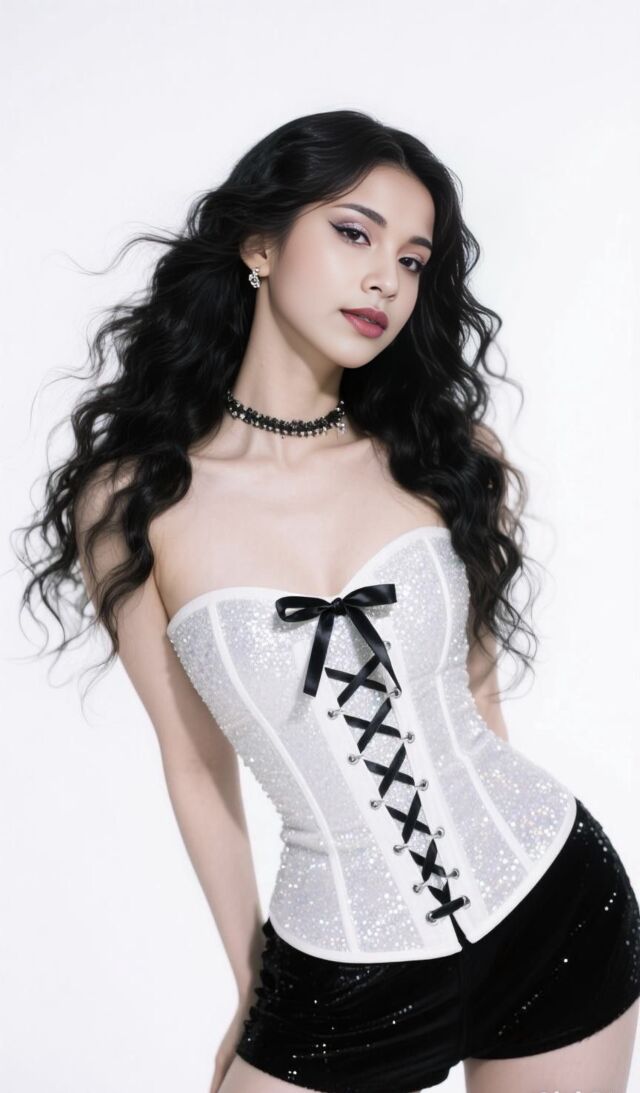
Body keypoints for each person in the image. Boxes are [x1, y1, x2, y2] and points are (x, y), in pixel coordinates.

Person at [16, 110, 640, 1092]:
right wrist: (251, 982)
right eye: (355, 233)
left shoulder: (444, 455)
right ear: (259, 246)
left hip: (551, 903)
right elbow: (193, 762)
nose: (386, 277)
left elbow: (479, 702)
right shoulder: (135, 502)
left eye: (413, 258)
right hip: (340, 961)